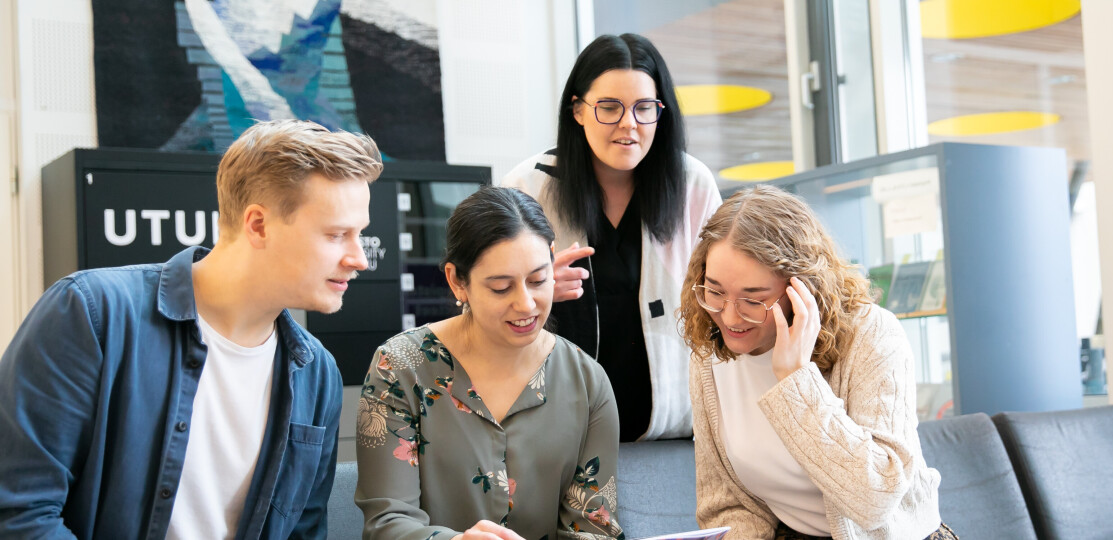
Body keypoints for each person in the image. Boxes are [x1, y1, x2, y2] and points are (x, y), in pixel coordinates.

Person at [0, 120, 382, 538]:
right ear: (258, 225)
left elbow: (303, 531)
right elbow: (21, 514)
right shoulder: (92, 312)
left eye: (358, 235)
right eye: (336, 235)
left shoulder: (316, 372)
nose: (359, 258)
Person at [678, 186, 953, 540]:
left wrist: (796, 380)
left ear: (802, 290)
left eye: (752, 299)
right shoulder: (709, 357)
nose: (730, 317)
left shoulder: (872, 336)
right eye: (715, 291)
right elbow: (728, 506)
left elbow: (875, 500)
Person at [354, 186, 623, 540]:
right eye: (501, 288)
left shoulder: (587, 382)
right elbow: (387, 522)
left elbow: (592, 527)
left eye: (538, 280)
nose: (526, 304)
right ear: (456, 281)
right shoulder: (400, 367)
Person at [500, 33, 721, 442]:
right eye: (609, 108)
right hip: (560, 436)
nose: (628, 125)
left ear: (662, 112)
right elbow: (481, 311)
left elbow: (720, 307)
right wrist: (535, 288)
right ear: (578, 110)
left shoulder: (693, 184)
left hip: (673, 429)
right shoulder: (527, 187)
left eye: (644, 109)